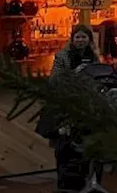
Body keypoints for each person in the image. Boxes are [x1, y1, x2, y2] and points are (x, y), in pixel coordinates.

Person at [45, 25, 100, 191]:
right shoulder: (63, 56)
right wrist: (75, 73)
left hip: (87, 105)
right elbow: (54, 80)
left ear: (89, 40)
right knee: (65, 147)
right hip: (67, 105)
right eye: (77, 37)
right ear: (72, 39)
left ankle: (86, 180)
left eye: (84, 37)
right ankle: (66, 182)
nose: (80, 40)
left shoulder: (94, 57)